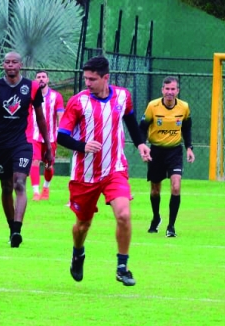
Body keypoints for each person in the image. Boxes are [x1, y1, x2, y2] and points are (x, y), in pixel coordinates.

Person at [57, 56, 151, 286]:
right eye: (85, 78)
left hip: (114, 169)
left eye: (92, 79)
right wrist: (82, 146)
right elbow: (61, 136)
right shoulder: (78, 102)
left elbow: (129, 119)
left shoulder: (122, 96)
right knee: (83, 225)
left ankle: (122, 267)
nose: (87, 83)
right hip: (85, 174)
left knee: (124, 215)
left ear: (105, 78)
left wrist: (140, 143)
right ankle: (78, 253)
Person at [0, 51, 53, 248]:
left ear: (21, 65)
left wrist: (48, 146)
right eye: (7, 62)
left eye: (14, 62)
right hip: (1, 144)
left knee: (19, 183)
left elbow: (40, 118)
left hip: (24, 142)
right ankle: (11, 227)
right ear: (3, 65)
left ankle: (17, 231)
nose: (10, 65)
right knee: (6, 187)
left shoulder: (31, 87)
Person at [139, 76, 194, 237]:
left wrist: (189, 148)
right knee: (155, 190)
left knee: (176, 186)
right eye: (167, 89)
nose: (170, 92)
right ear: (162, 90)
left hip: (174, 151)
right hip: (156, 151)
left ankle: (171, 226)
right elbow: (142, 128)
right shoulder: (153, 106)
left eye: (173, 89)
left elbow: (187, 128)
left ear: (178, 91)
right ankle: (156, 218)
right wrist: (143, 147)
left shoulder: (184, 107)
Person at [29, 70, 64, 201]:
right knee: (35, 161)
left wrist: (62, 129)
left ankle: (46, 187)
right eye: (38, 77)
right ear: (35, 80)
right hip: (34, 136)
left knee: (49, 166)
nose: (41, 79)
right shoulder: (31, 96)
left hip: (51, 137)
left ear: (48, 79)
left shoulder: (56, 96)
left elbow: (60, 114)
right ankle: (36, 192)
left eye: (43, 77)